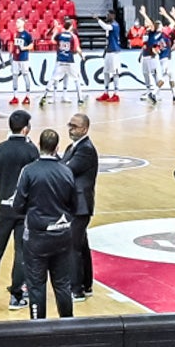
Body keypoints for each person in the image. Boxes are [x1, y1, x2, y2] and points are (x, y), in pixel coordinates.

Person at [11, 128, 80, 319]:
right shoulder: (66, 171)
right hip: (62, 234)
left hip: (37, 237)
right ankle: (68, 325)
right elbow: (74, 205)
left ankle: (38, 329)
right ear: (57, 147)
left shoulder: (29, 171)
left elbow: (17, 205)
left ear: (39, 146)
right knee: (62, 283)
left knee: (36, 285)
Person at [0, 110, 39, 310]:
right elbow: (37, 180)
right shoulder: (32, 151)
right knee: (21, 251)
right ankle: (16, 296)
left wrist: (5, 184)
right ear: (26, 128)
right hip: (24, 209)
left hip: (3, 208)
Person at [63, 112, 98, 300]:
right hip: (76, 204)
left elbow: (67, 169)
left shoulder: (86, 149)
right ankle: (86, 284)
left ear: (85, 128)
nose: (71, 128)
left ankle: (76, 289)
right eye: (70, 124)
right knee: (81, 245)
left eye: (75, 126)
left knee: (73, 247)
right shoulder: (73, 146)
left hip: (80, 204)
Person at [46, 17, 84, 106]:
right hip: (62, 57)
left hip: (65, 57)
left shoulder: (71, 32)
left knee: (65, 76)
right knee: (56, 77)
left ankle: (64, 95)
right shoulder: (60, 29)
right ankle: (54, 96)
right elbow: (49, 36)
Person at [97, 11, 122, 101]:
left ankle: (116, 94)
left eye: (108, 15)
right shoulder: (110, 26)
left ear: (113, 15)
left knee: (115, 73)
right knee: (106, 72)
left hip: (114, 52)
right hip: (108, 51)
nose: (106, 16)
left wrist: (98, 19)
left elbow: (105, 26)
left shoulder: (114, 25)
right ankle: (106, 92)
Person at [11, 17, 35, 105]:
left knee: (25, 75)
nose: (16, 23)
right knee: (14, 76)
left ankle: (27, 96)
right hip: (15, 58)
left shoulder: (27, 35)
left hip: (24, 58)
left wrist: (24, 48)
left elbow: (31, 46)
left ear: (23, 24)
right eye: (16, 22)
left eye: (18, 22)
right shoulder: (14, 34)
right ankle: (15, 96)